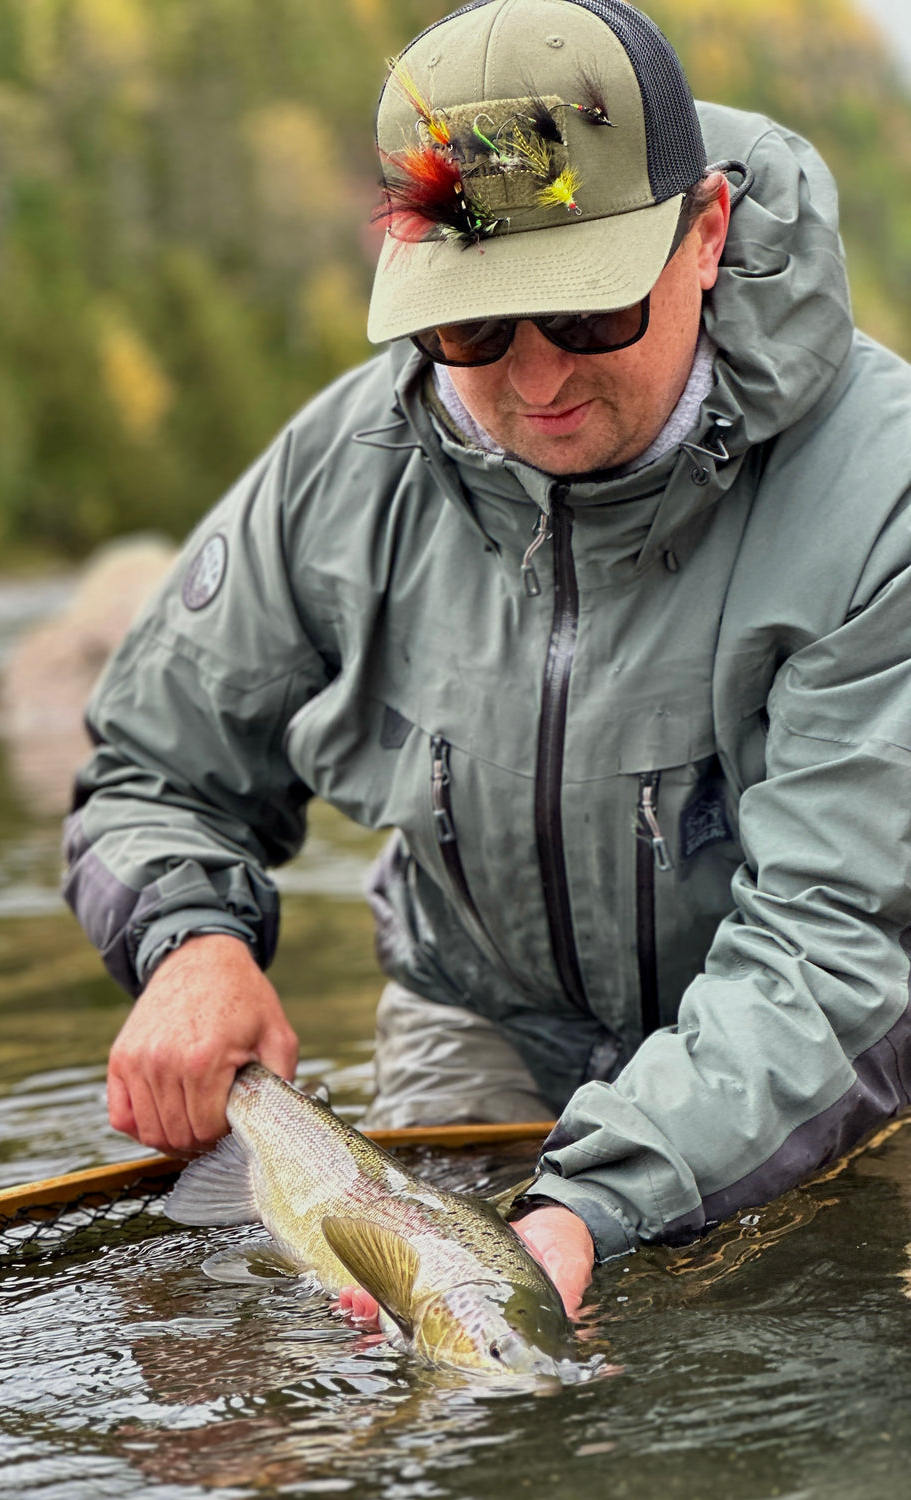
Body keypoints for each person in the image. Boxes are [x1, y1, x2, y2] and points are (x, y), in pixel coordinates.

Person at [63, 0, 911, 1319]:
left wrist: (588, 1202)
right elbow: (149, 769)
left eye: (582, 316)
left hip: (834, 1048)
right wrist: (189, 944)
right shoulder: (347, 469)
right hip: (481, 1028)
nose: (534, 383)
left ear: (706, 236)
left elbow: (840, 947)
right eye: (471, 332)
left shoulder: (882, 497)